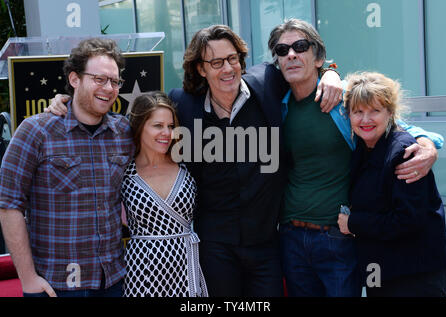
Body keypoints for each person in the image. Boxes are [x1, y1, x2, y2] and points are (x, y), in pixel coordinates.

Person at [47, 25, 343, 297]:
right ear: (201, 69)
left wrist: (331, 71)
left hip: (266, 243)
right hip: (214, 247)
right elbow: (142, 123)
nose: (227, 68)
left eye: (233, 59)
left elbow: (301, 66)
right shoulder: (183, 104)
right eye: (216, 62)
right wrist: (69, 102)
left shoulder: (266, 83)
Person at [269, 18, 443, 297]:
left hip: (337, 237)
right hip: (291, 236)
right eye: (282, 50)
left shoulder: (343, 99)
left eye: (300, 46)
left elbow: (391, 124)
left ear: (318, 57)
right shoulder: (277, 106)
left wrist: (429, 144)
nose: (291, 54)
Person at [0, 38, 134, 297]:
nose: (109, 88)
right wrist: (27, 278)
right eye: (99, 79)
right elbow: (8, 204)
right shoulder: (36, 131)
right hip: (57, 286)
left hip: (115, 281)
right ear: (75, 79)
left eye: (114, 81)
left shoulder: (125, 132)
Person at [338, 71, 446, 297]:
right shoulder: (362, 148)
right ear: (348, 115)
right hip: (380, 271)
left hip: (414, 276)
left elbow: (407, 220)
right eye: (358, 112)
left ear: (390, 113)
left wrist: (353, 223)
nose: (366, 119)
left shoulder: (404, 152)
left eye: (375, 111)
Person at [121, 91, 208, 297]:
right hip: (142, 275)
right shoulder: (123, 172)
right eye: (158, 126)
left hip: (185, 270)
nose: (167, 133)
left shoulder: (186, 163)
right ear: (140, 126)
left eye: (170, 126)